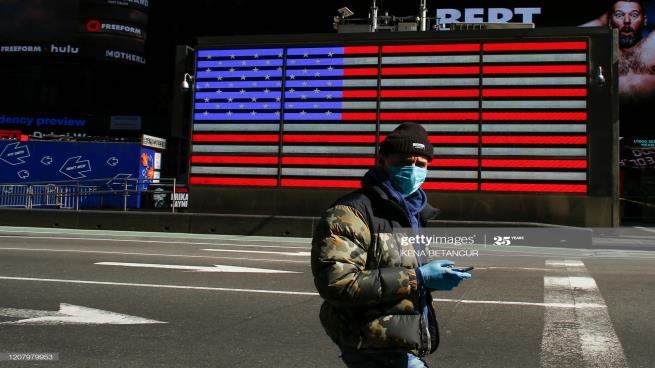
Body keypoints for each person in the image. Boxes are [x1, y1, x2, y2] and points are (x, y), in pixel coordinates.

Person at [311, 122, 471, 368]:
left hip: (396, 340)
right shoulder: (349, 212)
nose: (413, 169)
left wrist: (434, 278)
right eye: (404, 161)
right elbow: (337, 284)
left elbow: (391, 267)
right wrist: (419, 277)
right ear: (383, 161)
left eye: (421, 164)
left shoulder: (412, 212)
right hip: (369, 342)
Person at [581, 0, 655, 101]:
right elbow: (569, 39)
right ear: (610, 21)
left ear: (644, 20)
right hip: (610, 116)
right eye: (619, 15)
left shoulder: (652, 46)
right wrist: (602, 21)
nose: (627, 21)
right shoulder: (602, 51)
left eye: (634, 15)